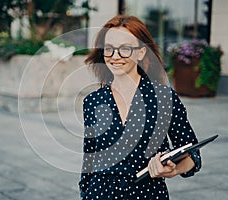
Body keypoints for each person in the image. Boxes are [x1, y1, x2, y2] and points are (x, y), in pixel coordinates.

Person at [79, 15, 201, 200]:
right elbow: (89, 159)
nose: (115, 56)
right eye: (109, 49)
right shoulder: (92, 101)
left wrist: (174, 169)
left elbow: (193, 153)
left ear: (141, 52)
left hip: (147, 194)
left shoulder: (164, 98)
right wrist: (85, 192)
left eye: (125, 49)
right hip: (100, 194)